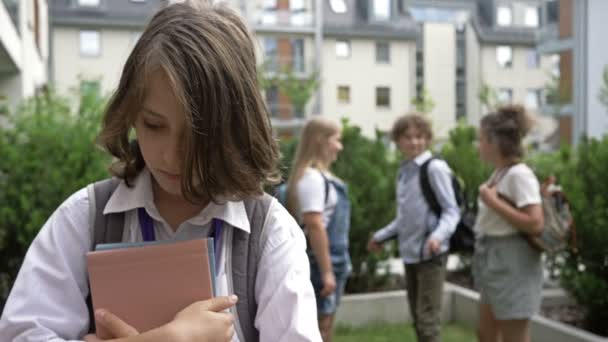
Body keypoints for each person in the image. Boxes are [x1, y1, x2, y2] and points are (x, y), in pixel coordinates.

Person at [0, 2, 321, 341]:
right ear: (130, 112)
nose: (171, 155)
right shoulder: (83, 216)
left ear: (235, 129)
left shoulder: (270, 232)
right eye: (153, 125)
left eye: (198, 135)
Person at [367, 113, 460, 342]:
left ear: (428, 139)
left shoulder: (434, 168)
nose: (414, 142)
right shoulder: (405, 171)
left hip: (431, 253)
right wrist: (380, 237)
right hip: (410, 253)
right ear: (398, 141)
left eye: (419, 136)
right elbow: (405, 219)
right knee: (418, 319)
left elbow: (451, 210)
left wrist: (437, 237)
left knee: (428, 320)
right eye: (407, 137)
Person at [473, 105, 544, 342]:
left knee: (514, 336)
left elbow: (535, 223)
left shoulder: (518, 175)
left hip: (513, 262)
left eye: (481, 139)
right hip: (494, 261)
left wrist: (493, 202)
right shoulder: (501, 173)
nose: (478, 145)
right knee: (485, 334)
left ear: (495, 142)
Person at [284, 117, 351, 342]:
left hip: (331, 260)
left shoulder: (320, 177)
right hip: (322, 262)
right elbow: (314, 225)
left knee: (326, 324)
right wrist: (327, 271)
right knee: (320, 327)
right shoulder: (312, 179)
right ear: (321, 141)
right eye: (337, 140)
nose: (340, 147)